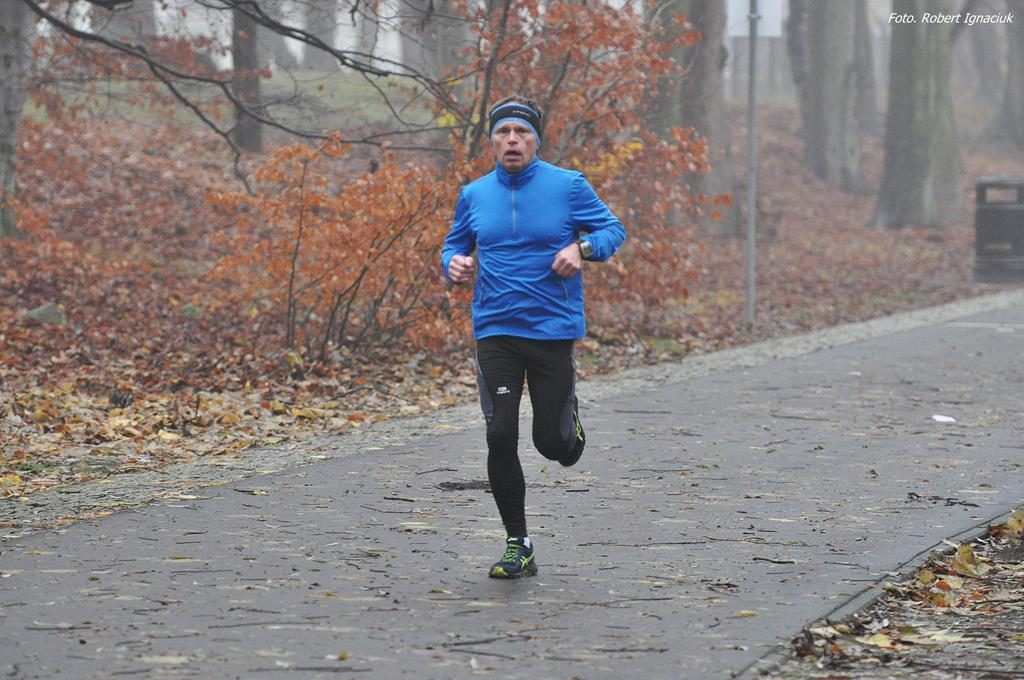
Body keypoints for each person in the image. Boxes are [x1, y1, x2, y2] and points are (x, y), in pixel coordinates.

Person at [440, 95, 627, 579]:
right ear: (491, 142)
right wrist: (452, 263)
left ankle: (568, 428)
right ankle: (517, 544)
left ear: (536, 141)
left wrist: (582, 248)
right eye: (503, 132)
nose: (512, 140)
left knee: (552, 445)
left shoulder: (568, 186)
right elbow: (454, 245)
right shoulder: (474, 194)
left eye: (521, 132)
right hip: (495, 329)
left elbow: (613, 230)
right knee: (500, 433)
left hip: (551, 330)